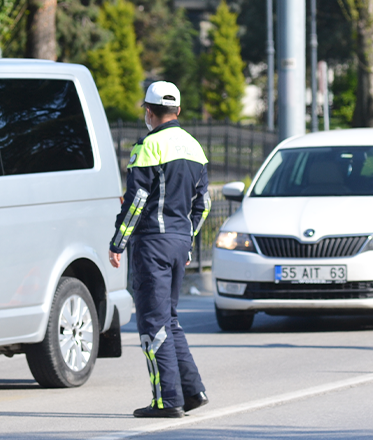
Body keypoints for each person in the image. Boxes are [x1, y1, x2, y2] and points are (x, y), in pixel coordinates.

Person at [108, 81, 211, 418]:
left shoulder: (147, 147)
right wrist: (187, 239)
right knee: (171, 321)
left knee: (153, 325)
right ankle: (192, 391)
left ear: (149, 112)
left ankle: (167, 401)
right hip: (179, 244)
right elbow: (204, 204)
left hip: (151, 243)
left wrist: (118, 241)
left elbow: (137, 200)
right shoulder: (196, 148)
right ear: (178, 111)